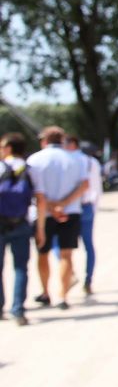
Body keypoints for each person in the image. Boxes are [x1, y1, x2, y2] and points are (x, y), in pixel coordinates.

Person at [26, 126, 88, 310]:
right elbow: (84, 185)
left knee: (42, 253)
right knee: (66, 255)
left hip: (43, 214)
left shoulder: (34, 159)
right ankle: (62, 296)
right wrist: (63, 204)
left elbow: (33, 192)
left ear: (44, 141)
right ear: (63, 140)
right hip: (71, 211)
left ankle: (46, 292)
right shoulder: (76, 159)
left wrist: (51, 207)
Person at [0, 133, 35, 325]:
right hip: (21, 222)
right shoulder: (28, 168)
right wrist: (40, 227)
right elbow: (40, 198)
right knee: (21, 268)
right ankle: (18, 310)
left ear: (8, 148)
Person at [65, 136, 102, 295]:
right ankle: (88, 280)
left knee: (62, 246)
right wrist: (94, 207)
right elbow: (97, 188)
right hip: (86, 206)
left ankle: (70, 273)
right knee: (88, 245)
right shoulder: (92, 162)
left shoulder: (67, 160)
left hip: (67, 207)